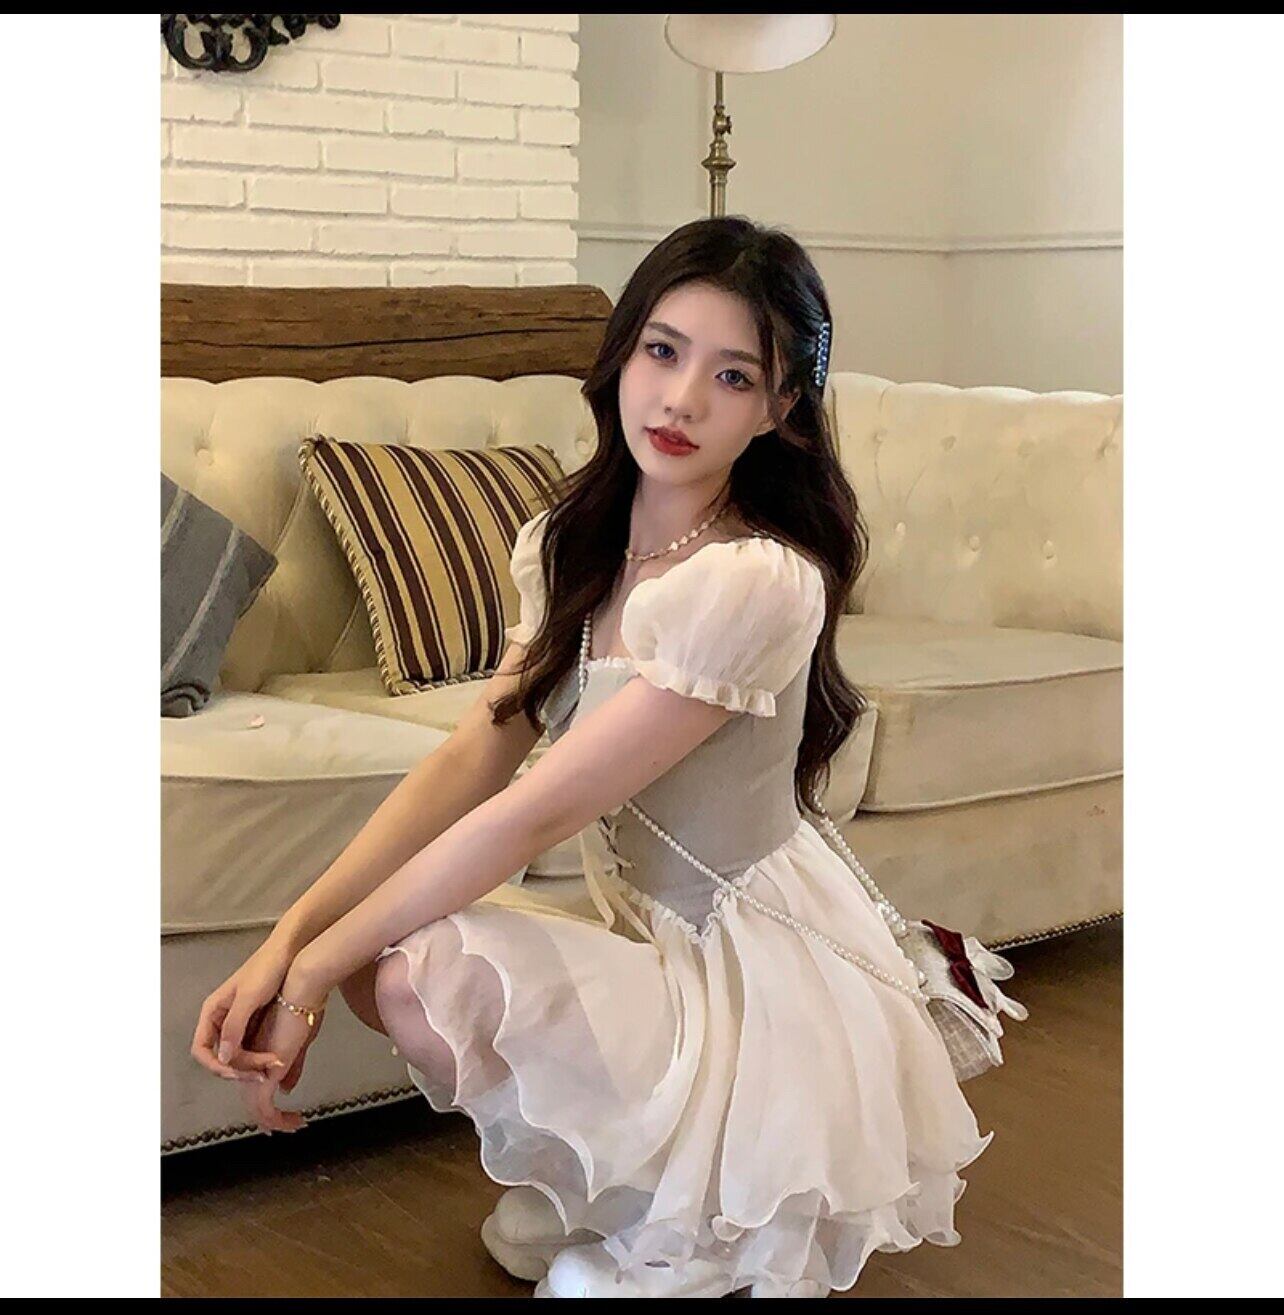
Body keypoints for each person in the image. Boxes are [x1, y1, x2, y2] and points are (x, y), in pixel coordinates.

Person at [190, 215, 994, 1298]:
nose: (681, 399)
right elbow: (473, 758)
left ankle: (693, 1230)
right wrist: (288, 940)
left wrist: (313, 970)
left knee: (405, 969)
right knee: (410, 968)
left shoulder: (756, 582)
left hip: (745, 970)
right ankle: (617, 1191)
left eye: (733, 375)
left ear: (780, 409)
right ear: (622, 354)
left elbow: (533, 813)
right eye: (663, 351)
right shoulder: (571, 542)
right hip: (641, 934)